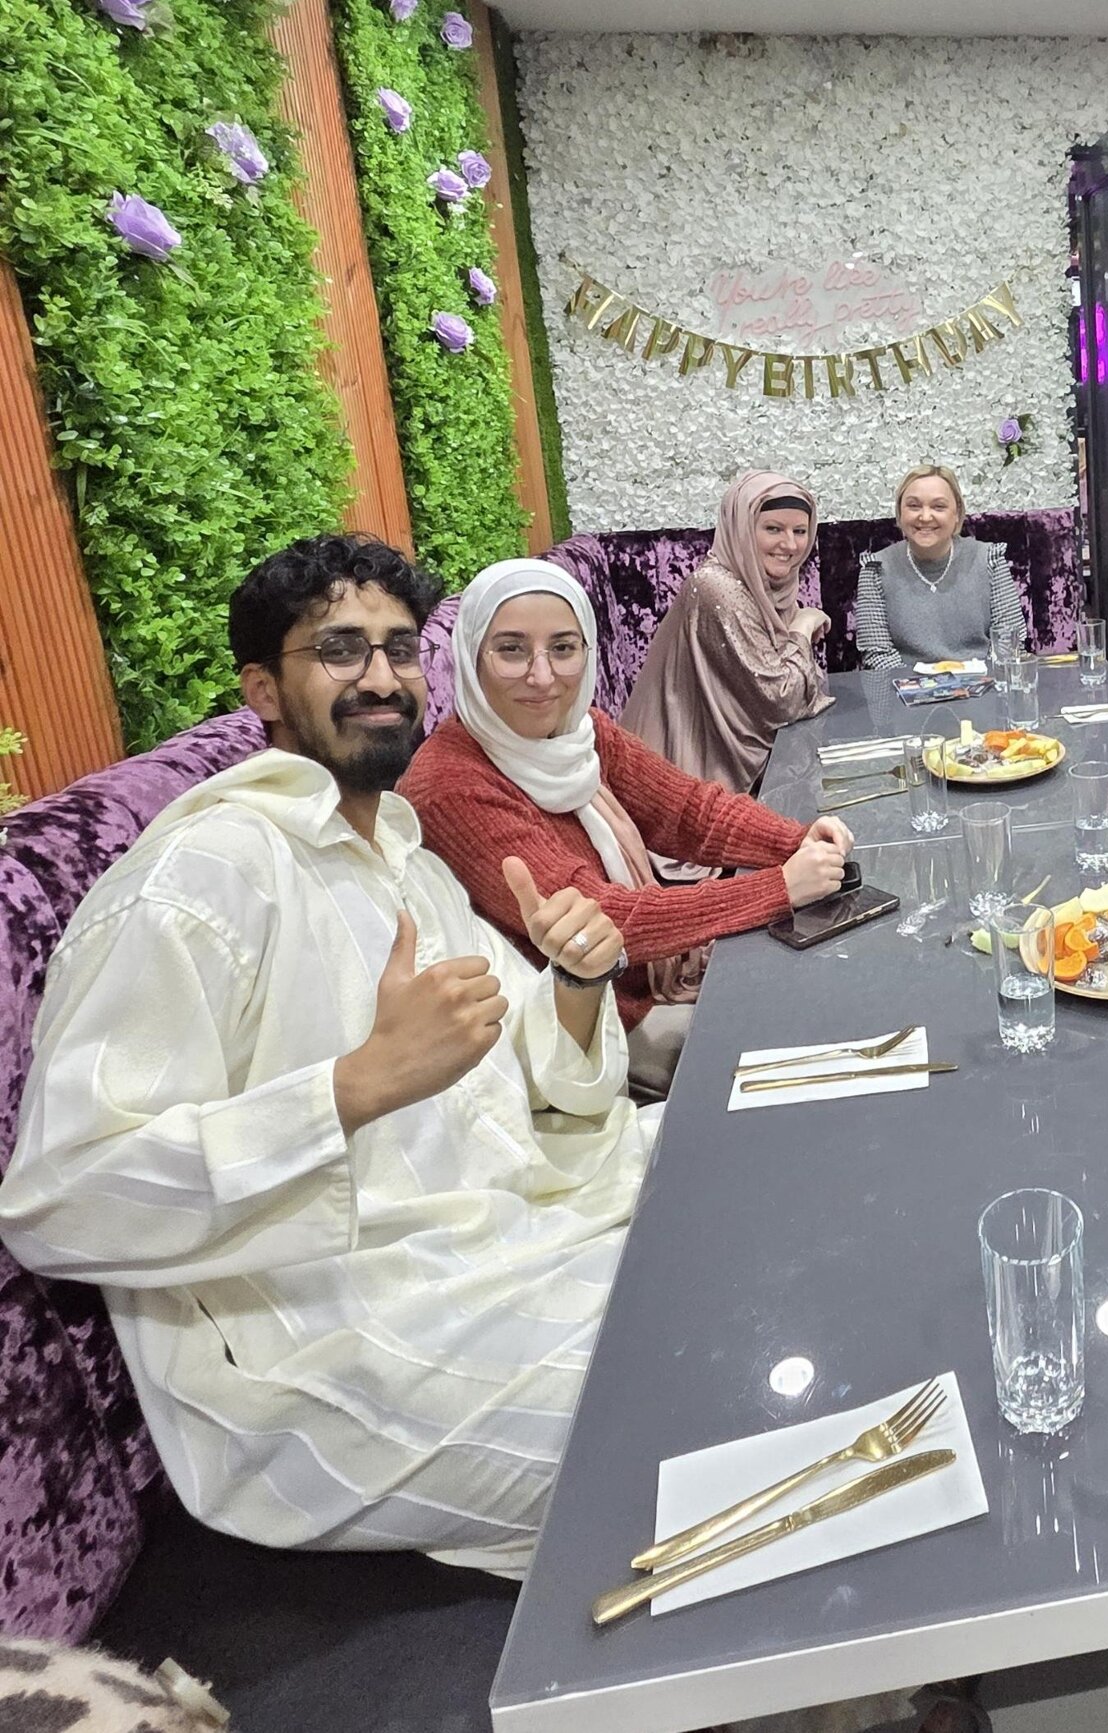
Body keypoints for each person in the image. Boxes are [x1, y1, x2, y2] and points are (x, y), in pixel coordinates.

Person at [0, 534, 649, 1573]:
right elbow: (59, 1196)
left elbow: (527, 1063)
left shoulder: (396, 845)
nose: (382, 676)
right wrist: (352, 1088)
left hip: (500, 1229)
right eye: (340, 650)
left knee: (762, 1181)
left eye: (398, 649)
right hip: (332, 1345)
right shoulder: (204, 875)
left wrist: (573, 982)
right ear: (262, 686)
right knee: (693, 1406)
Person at [401, 558, 854, 1098]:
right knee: (812, 1051)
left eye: (563, 648)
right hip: (586, 1035)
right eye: (512, 649)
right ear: (469, 658)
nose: (542, 676)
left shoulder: (577, 731)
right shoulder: (452, 785)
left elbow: (688, 812)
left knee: (835, 998)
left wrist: (797, 840)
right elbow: (601, 923)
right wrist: (779, 887)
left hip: (645, 983)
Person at [620, 469, 833, 793]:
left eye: (800, 531)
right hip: (686, 786)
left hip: (750, 764)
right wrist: (801, 628)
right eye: (773, 528)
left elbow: (795, 686)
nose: (790, 545)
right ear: (742, 530)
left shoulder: (770, 585)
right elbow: (781, 701)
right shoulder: (718, 588)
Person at [854, 466, 1026, 672]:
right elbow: (877, 653)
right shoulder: (875, 569)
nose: (925, 517)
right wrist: (918, 689)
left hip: (982, 686)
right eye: (914, 506)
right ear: (899, 513)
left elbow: (1009, 637)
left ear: (957, 514)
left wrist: (979, 682)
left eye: (938, 507)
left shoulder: (990, 559)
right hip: (904, 692)